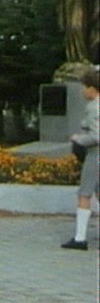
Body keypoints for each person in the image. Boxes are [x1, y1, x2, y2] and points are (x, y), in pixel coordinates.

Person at [62, 67, 99, 250]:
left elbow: (97, 136)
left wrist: (78, 139)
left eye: (84, 86)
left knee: (84, 194)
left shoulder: (94, 108)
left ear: (92, 88)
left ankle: (80, 238)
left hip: (95, 156)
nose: (82, 91)